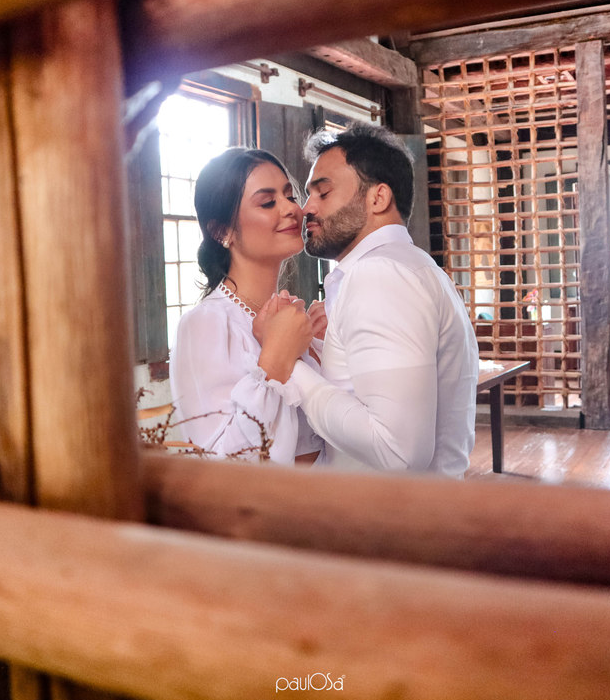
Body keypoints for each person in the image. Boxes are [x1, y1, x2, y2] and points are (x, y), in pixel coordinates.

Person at [263, 123, 479, 477]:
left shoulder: (381, 274)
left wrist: (289, 365)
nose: (306, 208)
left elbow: (398, 451)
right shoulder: (412, 266)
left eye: (323, 192)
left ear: (378, 198)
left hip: (392, 511)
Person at [168, 148, 322, 463]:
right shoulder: (206, 324)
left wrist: (322, 350)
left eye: (290, 196)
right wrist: (275, 359)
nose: (292, 209)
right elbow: (223, 464)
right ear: (222, 231)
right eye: (267, 202)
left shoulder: (292, 318)